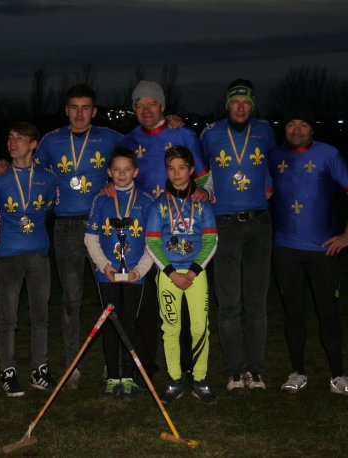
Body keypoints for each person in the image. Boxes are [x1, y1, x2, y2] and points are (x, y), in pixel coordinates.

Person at [116, 80, 211, 385]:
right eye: (139, 105)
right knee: (146, 305)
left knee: (188, 306)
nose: (146, 110)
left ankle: (188, 367)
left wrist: (204, 193)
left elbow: (205, 178)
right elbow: (116, 174)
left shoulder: (184, 134)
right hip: (144, 233)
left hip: (184, 236)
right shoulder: (127, 140)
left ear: (163, 106)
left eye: (151, 103)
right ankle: (148, 367)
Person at [269, 105, 348, 395]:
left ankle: (338, 375)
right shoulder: (274, 156)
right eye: (291, 124)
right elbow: (265, 192)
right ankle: (297, 372)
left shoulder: (328, 154)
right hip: (285, 249)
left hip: (323, 250)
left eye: (303, 124)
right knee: (293, 313)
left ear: (312, 128)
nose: (296, 130)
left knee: (328, 313)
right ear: (284, 128)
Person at [34, 84, 123, 390]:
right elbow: (31, 173)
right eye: (74, 107)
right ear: (66, 110)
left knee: (109, 295)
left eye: (86, 108)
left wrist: (171, 123)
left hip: (101, 226)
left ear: (94, 111)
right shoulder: (51, 141)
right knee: (71, 300)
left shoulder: (110, 137)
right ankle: (72, 365)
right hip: (67, 228)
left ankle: (113, 363)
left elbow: (141, 152)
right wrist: (4, 165)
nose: (80, 113)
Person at [200, 79, 276, 391]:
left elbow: (275, 164)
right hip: (225, 224)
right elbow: (199, 169)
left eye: (246, 102)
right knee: (229, 302)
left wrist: (268, 188)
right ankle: (234, 370)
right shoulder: (210, 133)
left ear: (252, 105)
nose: (241, 107)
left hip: (259, 224)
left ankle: (256, 370)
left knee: (256, 302)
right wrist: (205, 193)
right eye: (235, 101)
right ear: (227, 105)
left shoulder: (265, 130)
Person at [0, 122, 58, 397]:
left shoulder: (48, 178)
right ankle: (8, 371)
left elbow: (48, 210)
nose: (12, 142)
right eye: (10, 137)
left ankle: (39, 370)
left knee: (41, 315)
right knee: (9, 317)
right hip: (7, 255)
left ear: (33, 144)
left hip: (39, 254)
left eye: (19, 138)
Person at [146, 146, 217, 404]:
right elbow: (152, 242)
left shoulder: (202, 203)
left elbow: (211, 240)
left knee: (199, 327)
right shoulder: (158, 205)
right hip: (169, 275)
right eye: (171, 168)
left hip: (196, 274)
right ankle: (174, 380)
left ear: (191, 170)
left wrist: (194, 271)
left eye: (182, 168)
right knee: (171, 328)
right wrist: (171, 273)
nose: (176, 174)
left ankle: (200, 379)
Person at [84, 147, 154, 400]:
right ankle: (113, 377)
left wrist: (140, 269)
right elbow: (90, 238)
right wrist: (104, 265)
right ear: (109, 172)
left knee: (130, 324)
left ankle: (129, 378)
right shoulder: (100, 199)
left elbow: (152, 242)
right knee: (111, 324)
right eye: (116, 169)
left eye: (127, 169)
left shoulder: (147, 201)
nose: (122, 174)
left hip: (135, 275)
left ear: (135, 172)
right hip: (108, 275)